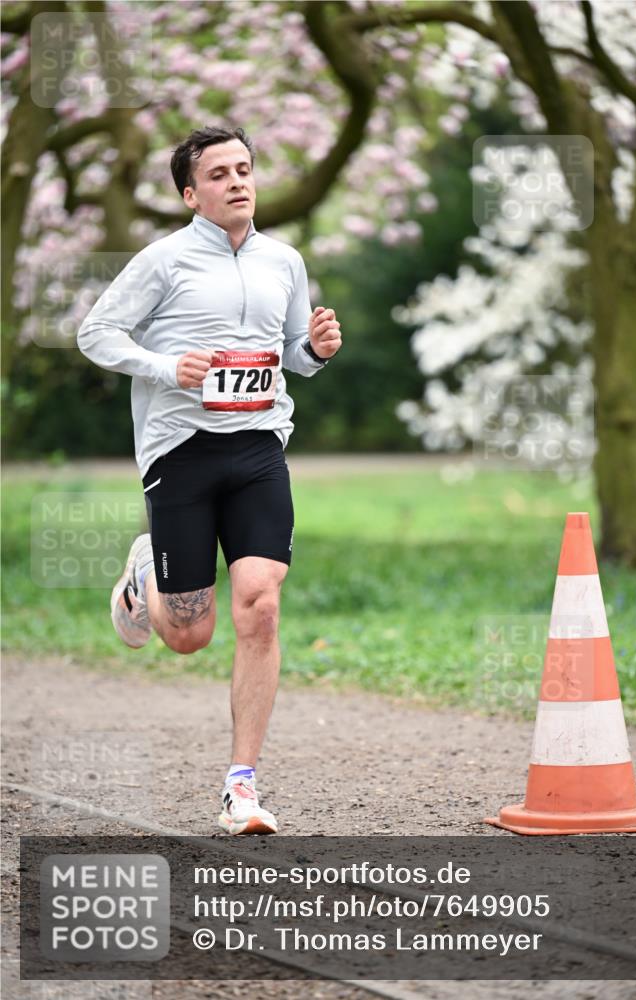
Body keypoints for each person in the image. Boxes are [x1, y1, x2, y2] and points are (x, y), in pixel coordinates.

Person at [77, 126, 342, 835]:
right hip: (181, 452)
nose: (237, 181)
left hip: (258, 445)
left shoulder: (283, 260)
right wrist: (167, 368)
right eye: (219, 174)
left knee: (260, 603)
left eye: (245, 168)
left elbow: (289, 353)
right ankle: (144, 577)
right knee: (189, 635)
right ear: (191, 194)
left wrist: (313, 352)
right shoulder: (163, 261)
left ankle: (242, 784)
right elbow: (96, 333)